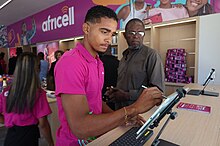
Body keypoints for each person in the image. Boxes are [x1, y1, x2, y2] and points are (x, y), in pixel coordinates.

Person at [54, 5, 163, 146]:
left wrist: (124, 117)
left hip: (97, 137)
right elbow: (79, 128)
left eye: (112, 34)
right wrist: (132, 109)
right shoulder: (71, 62)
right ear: (86, 29)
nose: (109, 40)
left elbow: (96, 102)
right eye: (104, 32)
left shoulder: (97, 62)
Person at [106, 18, 165, 110]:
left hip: (139, 112)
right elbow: (124, 83)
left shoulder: (151, 55)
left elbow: (157, 92)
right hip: (121, 110)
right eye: (132, 33)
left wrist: (127, 95)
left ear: (144, 35)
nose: (136, 36)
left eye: (140, 33)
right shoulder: (123, 57)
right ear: (125, 35)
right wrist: (115, 92)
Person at [0, 52, 54, 146]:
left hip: (10, 137)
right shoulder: (37, 93)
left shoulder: (7, 91)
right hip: (29, 137)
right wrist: (51, 143)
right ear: (36, 69)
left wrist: (7, 120)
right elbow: (43, 124)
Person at [100, 45, 119, 110]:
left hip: (101, 94)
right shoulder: (118, 62)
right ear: (111, 50)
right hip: (115, 93)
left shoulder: (98, 63)